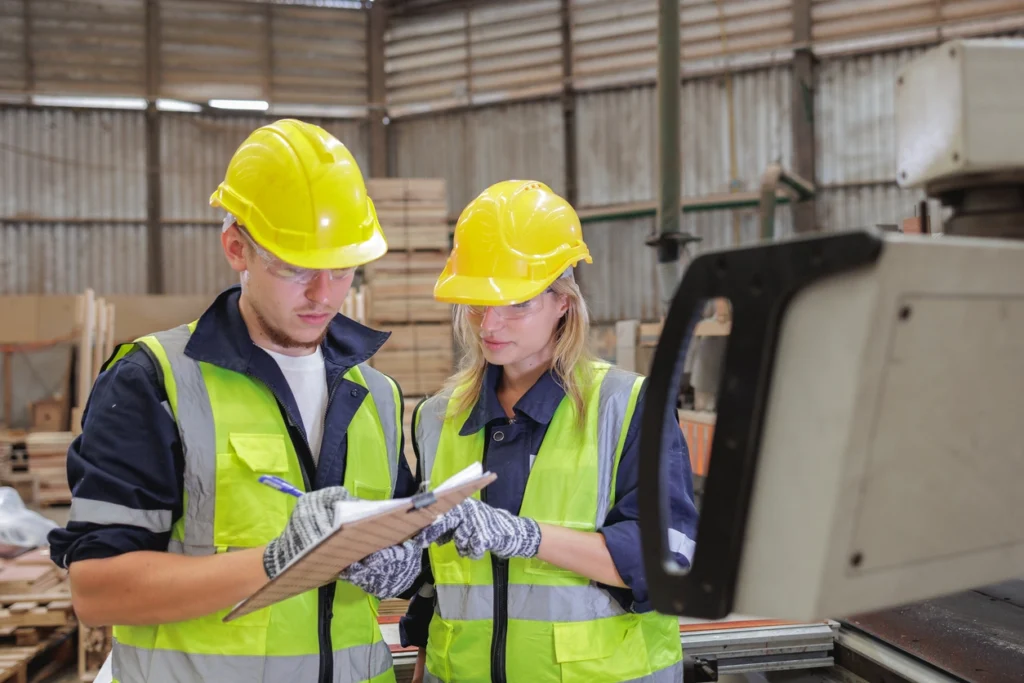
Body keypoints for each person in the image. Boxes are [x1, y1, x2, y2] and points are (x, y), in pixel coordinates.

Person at [48, 119, 426, 683]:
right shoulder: (155, 380)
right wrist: (277, 562)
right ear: (236, 248)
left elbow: (390, 549)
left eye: (343, 267)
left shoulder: (377, 395)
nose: (325, 295)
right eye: (297, 267)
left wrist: (405, 564)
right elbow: (98, 590)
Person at [399, 180, 700, 683]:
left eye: (517, 303)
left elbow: (666, 560)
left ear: (563, 302)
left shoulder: (627, 407)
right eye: (476, 302)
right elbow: (436, 583)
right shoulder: (436, 418)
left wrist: (528, 537)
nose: (489, 323)